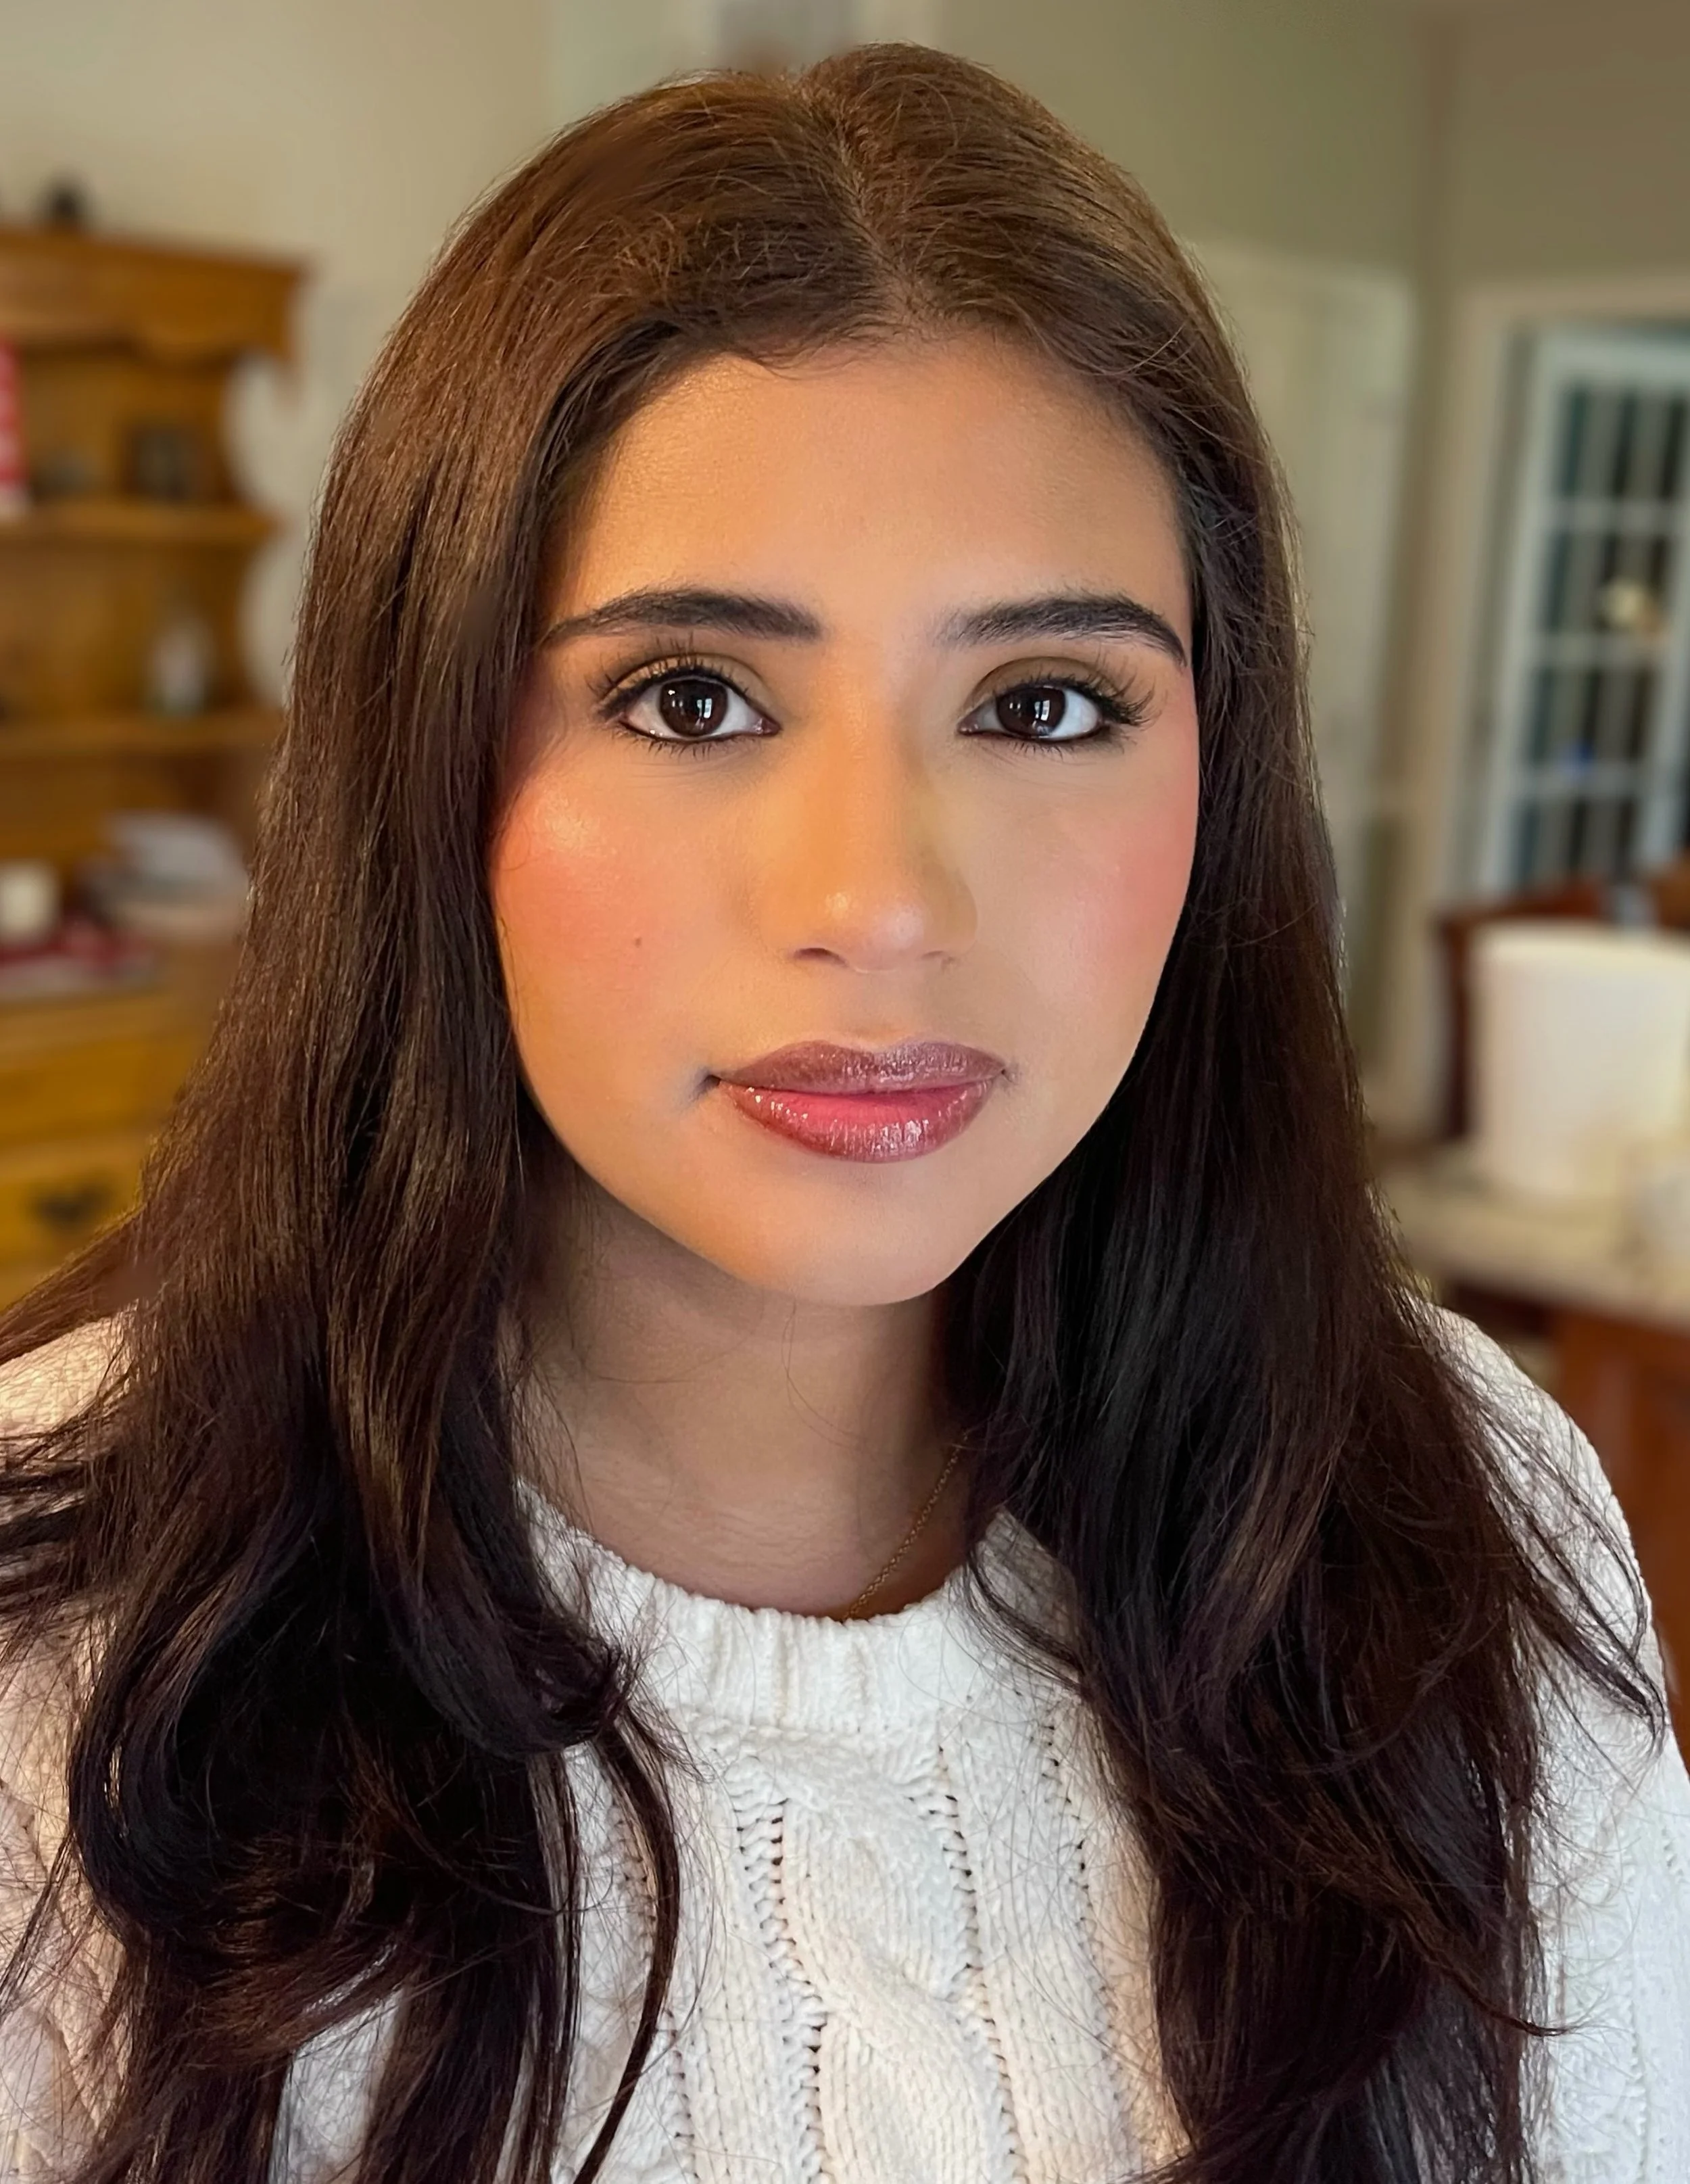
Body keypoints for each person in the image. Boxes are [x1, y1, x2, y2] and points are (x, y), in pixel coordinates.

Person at [0, 39, 1686, 2184]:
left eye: (1045, 703)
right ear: (425, 763)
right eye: (690, 696)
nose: (879, 901)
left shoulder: (1459, 1512)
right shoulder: (55, 1679)